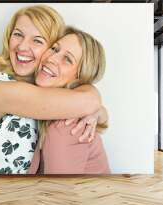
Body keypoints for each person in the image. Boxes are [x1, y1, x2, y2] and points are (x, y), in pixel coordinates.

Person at [0, 5, 103, 174]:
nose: (22, 47)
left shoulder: (39, 95)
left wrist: (97, 112)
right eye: (17, 34)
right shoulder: (1, 89)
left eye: (38, 40)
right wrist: (96, 107)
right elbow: (88, 100)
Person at [28, 27, 110, 174]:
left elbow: (59, 195)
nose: (51, 58)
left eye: (67, 59)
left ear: (79, 77)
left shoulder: (67, 126)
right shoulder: (43, 110)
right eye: (54, 49)